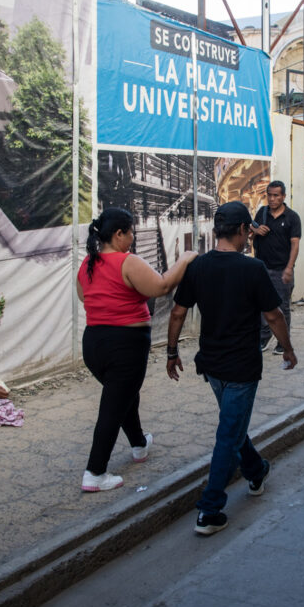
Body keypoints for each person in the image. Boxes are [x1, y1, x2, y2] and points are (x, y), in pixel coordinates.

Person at [166, 202, 297, 536]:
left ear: (216, 231)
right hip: (241, 366)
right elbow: (273, 316)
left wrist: (171, 351)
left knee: (232, 426)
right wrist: (289, 348)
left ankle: (256, 470)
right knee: (228, 434)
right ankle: (210, 510)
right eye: (249, 231)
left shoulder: (198, 267)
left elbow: (178, 312)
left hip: (211, 365)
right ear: (243, 231)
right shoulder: (253, 269)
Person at [77, 208, 197, 492]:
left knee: (124, 397)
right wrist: (186, 258)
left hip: (94, 343)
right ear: (118, 234)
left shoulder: (89, 263)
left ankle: (139, 445)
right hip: (125, 346)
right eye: (130, 232)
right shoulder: (127, 261)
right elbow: (162, 285)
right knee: (113, 407)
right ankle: (95, 473)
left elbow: (86, 296)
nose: (132, 237)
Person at [252, 181, 302, 354]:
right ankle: (264, 338)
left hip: (282, 270)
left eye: (276, 195)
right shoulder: (262, 212)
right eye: (270, 195)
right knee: (261, 306)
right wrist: (256, 231)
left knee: (282, 307)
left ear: (283, 197)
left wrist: (289, 268)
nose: (272, 199)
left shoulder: (292, 217)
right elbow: (251, 226)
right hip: (262, 268)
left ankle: (283, 342)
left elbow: (295, 245)